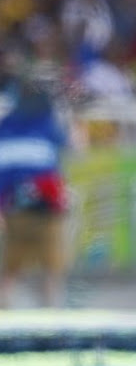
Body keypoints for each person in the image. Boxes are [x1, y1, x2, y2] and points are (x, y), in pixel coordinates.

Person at [0, 77, 70, 308]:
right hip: (44, 207)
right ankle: (51, 314)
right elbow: (65, 151)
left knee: (13, 269)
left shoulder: (6, 126)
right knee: (49, 268)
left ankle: (7, 314)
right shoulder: (48, 123)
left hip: (19, 207)